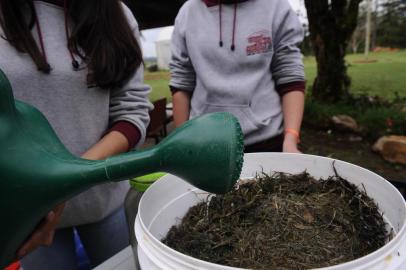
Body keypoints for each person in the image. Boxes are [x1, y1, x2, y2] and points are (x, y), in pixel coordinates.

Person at [0, 0, 152, 269]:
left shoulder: (116, 13)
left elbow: (132, 112)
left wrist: (72, 179)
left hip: (106, 199)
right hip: (31, 213)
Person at [170, 0, 305, 153]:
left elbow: (290, 77)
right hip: (204, 143)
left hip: (266, 142)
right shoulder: (188, 12)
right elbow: (181, 84)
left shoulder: (275, 5)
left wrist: (291, 138)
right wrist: (183, 142)